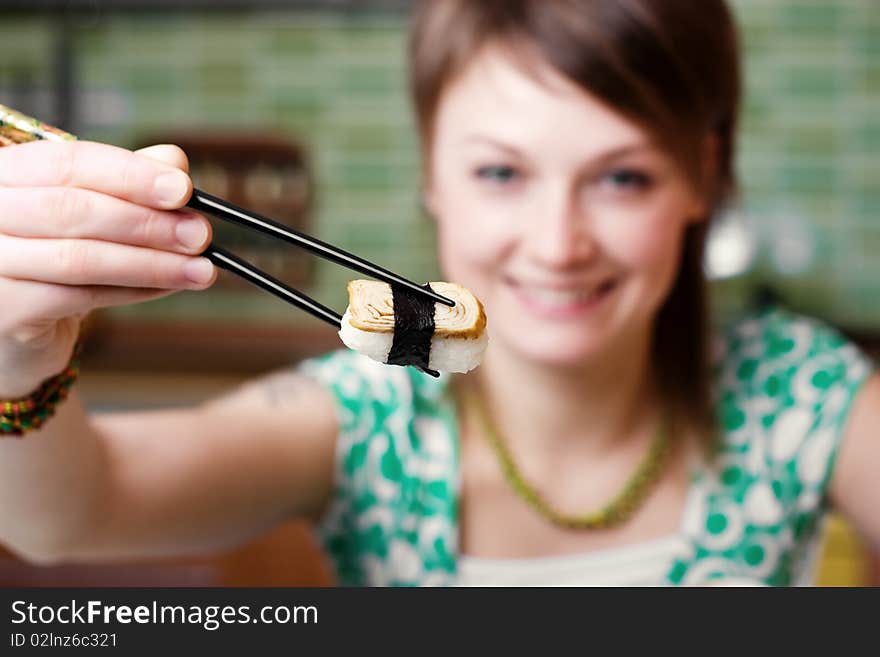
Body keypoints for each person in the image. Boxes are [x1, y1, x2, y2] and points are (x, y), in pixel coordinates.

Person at [0, 0, 877, 587]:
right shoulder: (362, 421)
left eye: (623, 179)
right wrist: (18, 356)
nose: (557, 244)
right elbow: (72, 514)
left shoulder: (805, 399)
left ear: (702, 177)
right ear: (432, 175)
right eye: (501, 171)